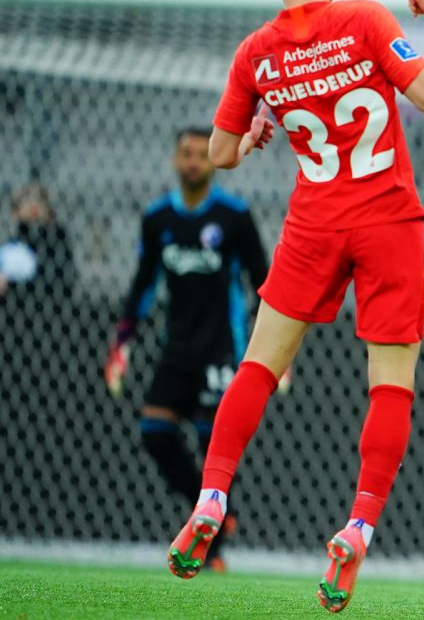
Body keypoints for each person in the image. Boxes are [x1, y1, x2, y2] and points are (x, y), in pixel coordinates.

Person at [165, 0, 424, 614]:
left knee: (258, 367)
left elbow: (220, 152)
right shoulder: (365, 20)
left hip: (313, 224)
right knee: (391, 384)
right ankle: (358, 526)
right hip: (387, 221)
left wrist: (254, 132)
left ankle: (211, 495)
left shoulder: (256, 52)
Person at [104, 126, 270, 572]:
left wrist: (272, 348)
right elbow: (143, 285)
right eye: (186, 154)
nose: (194, 161)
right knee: (154, 432)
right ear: (175, 161)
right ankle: (216, 514)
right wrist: (122, 343)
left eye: (201, 153)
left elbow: (263, 281)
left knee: (213, 441)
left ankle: (213, 545)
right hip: (176, 348)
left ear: (213, 161)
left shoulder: (234, 217)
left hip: (221, 349)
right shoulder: (158, 218)